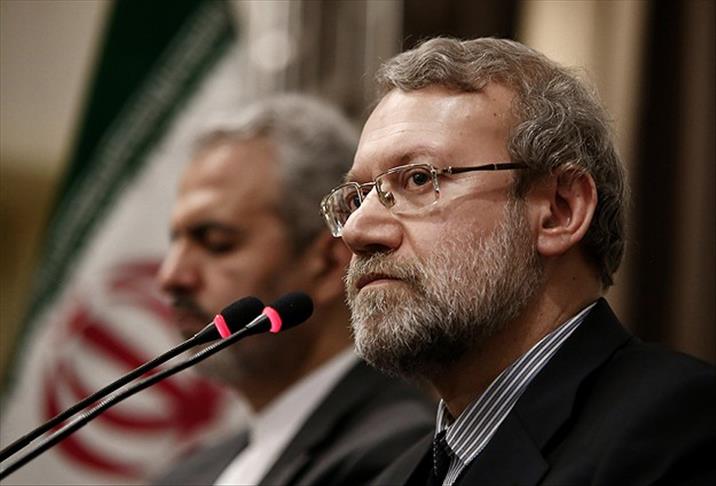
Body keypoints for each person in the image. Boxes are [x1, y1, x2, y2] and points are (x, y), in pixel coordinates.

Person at [320, 37, 716, 485]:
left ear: (560, 211)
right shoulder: (395, 477)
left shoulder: (682, 432)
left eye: (417, 179)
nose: (357, 231)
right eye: (358, 197)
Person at [153, 94, 433, 485]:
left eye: (216, 241)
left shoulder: (396, 451)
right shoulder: (186, 474)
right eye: (176, 241)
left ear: (330, 263)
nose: (171, 276)